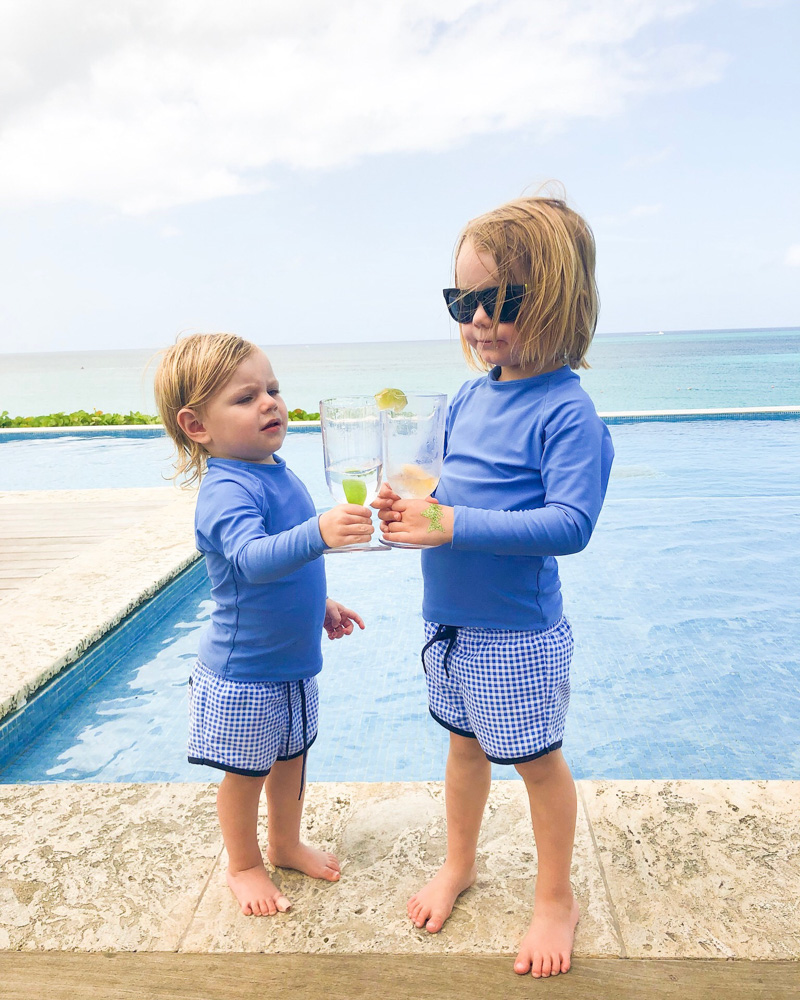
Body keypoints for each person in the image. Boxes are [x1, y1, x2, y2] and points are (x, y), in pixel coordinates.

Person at [374, 194, 614, 978]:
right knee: (464, 748)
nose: (476, 320)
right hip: (449, 624)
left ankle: (555, 898)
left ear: (556, 299)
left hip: (515, 632)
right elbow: (428, 475)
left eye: (497, 300)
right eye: (461, 300)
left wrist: (452, 524)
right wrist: (399, 497)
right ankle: (460, 862)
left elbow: (569, 526)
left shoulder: (567, 415)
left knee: (537, 762)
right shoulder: (473, 395)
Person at [154, 333, 373, 917]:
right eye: (246, 397)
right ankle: (245, 863)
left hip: (291, 663)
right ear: (197, 425)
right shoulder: (225, 491)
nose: (270, 403)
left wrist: (320, 604)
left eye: (272, 389)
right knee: (246, 774)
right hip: (245, 671)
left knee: (292, 758)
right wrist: (321, 533)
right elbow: (252, 559)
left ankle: (284, 842)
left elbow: (289, 560)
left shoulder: (276, 471)